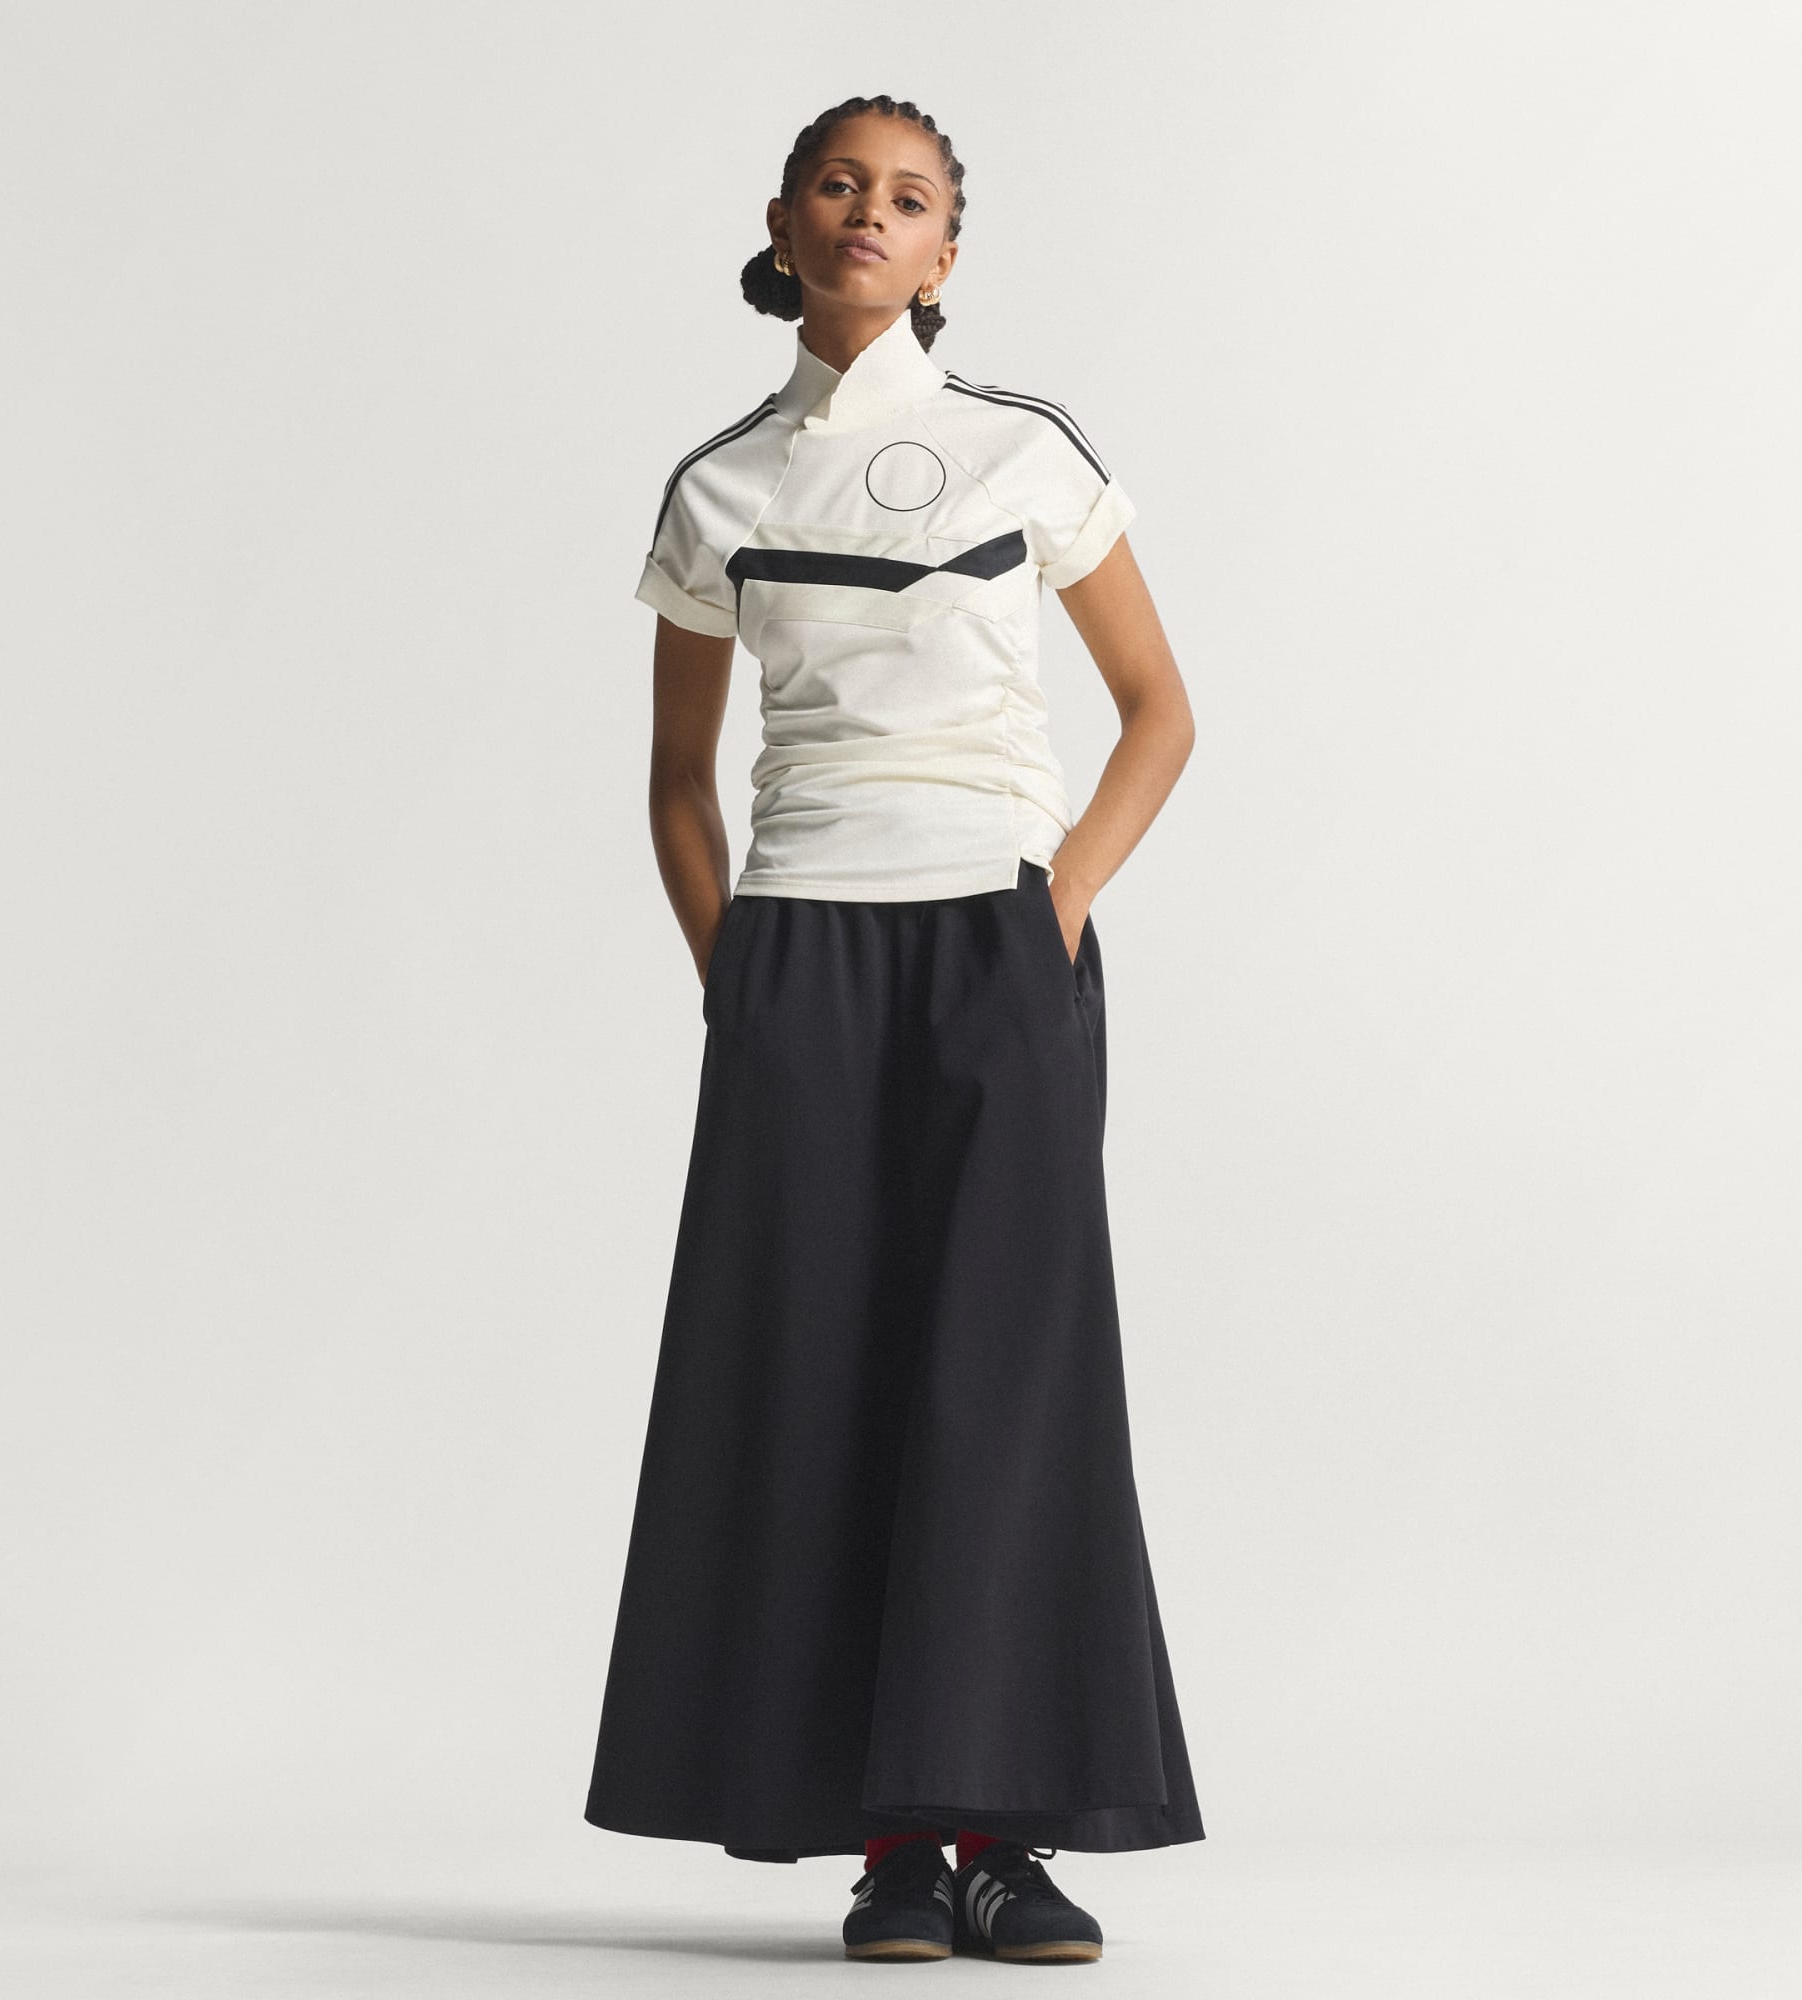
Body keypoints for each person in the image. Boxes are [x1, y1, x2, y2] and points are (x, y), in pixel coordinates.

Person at [584, 92, 1203, 1966]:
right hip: (803, 957)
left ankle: (1000, 1835)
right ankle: (892, 1848)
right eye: (841, 186)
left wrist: (1053, 905)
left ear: (948, 251)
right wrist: (738, 975)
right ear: (786, 223)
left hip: (996, 941)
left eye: (909, 195)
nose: (872, 212)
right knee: (818, 1375)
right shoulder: (719, 488)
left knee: (1005, 1384)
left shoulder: (1026, 449)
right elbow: (677, 780)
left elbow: (1160, 710)